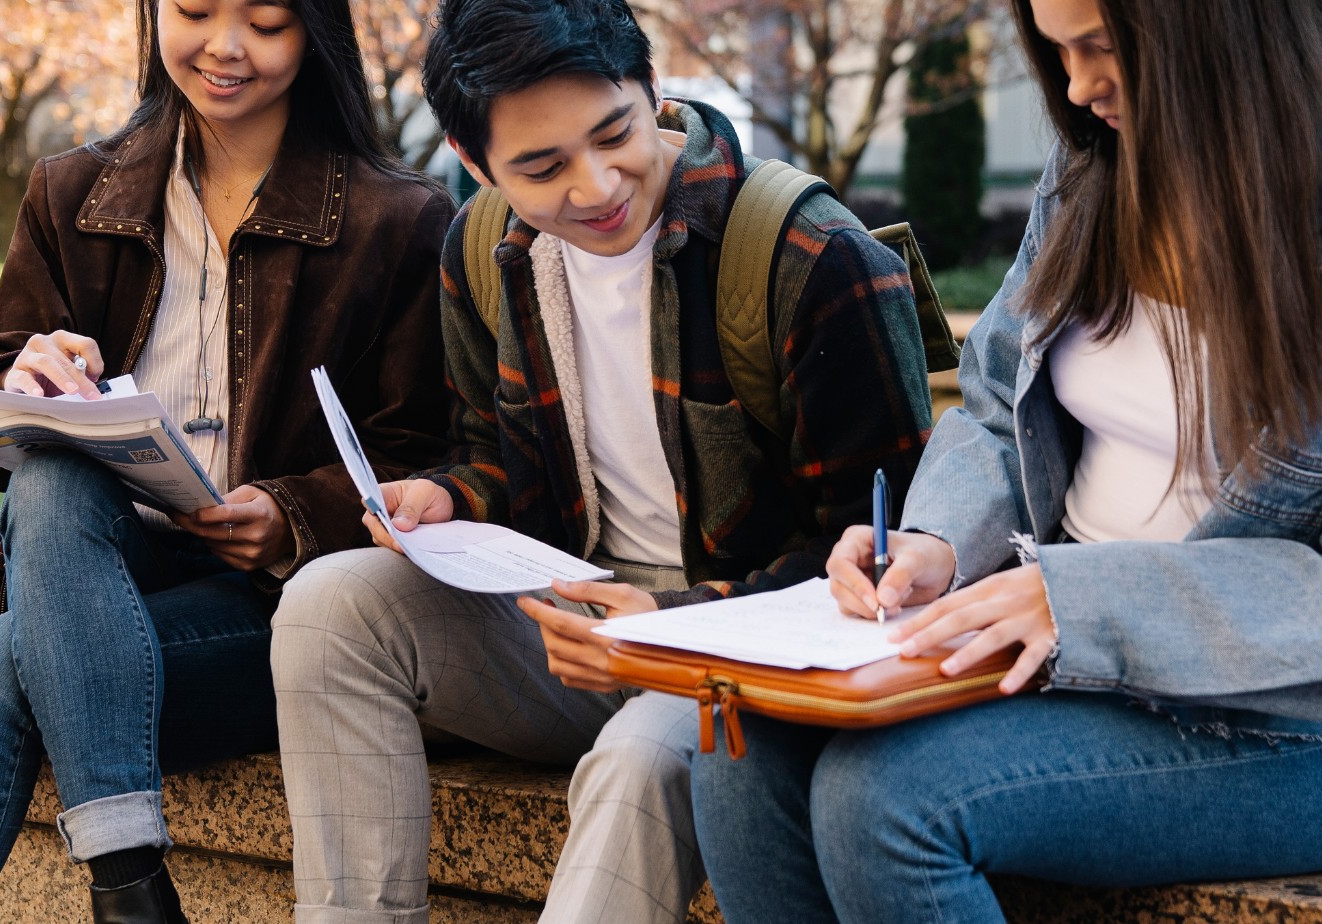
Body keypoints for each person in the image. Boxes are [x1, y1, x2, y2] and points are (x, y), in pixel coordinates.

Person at [688, 0, 1322, 921]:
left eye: (1103, 48)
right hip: (1069, 656)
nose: (1076, 88)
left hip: (1304, 727)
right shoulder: (1092, 164)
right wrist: (936, 544)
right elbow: (998, 408)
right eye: (1058, 51)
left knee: (887, 802)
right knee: (739, 748)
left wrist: (1081, 602)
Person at [266, 0, 936, 920]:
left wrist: (669, 621)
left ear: (652, 90)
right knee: (327, 607)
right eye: (540, 168)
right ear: (475, 164)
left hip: (733, 650)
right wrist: (447, 498)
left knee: (634, 760)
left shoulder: (807, 257)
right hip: (572, 631)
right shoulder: (482, 249)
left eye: (614, 133)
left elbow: (884, 554)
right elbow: (492, 455)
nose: (594, 187)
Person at [0, 0, 453, 920]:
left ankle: (125, 881)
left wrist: (292, 515)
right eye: (195, 9)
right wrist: (22, 371)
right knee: (55, 469)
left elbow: (426, 455)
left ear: (317, 32)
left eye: (265, 21)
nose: (224, 47)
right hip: (91, 565)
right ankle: (127, 876)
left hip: (272, 612)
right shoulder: (73, 193)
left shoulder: (398, 219)